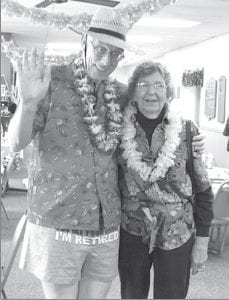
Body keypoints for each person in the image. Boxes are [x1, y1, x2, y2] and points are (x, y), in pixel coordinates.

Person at [8, 8, 205, 299]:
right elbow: (15, 143)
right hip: (59, 219)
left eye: (115, 55)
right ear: (84, 43)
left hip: (107, 226)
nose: (106, 61)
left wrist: (191, 138)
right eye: (100, 49)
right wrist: (26, 104)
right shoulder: (50, 82)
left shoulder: (122, 94)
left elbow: (155, 113)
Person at [118, 61, 214, 299]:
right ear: (133, 92)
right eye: (143, 85)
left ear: (168, 91)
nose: (152, 92)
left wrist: (202, 241)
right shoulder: (118, 128)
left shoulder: (187, 131)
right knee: (132, 295)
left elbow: (203, 189)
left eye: (159, 85)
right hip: (132, 230)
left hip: (177, 231)